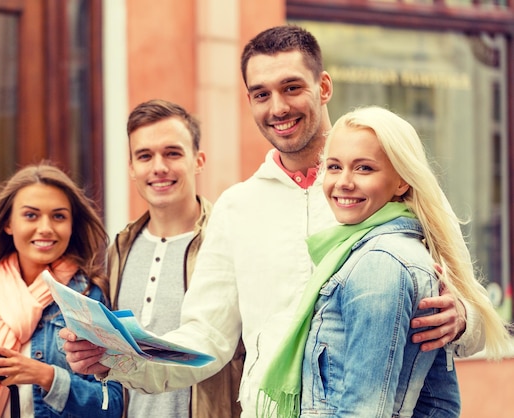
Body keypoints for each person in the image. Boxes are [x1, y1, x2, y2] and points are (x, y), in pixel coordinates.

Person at [61, 25, 487, 417]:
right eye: (261, 93)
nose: (278, 107)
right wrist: (117, 358)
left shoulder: (383, 186)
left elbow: (478, 321)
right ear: (249, 100)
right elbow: (205, 340)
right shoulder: (237, 207)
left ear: (323, 87)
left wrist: (462, 319)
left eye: (291, 87)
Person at [258, 105, 512, 418]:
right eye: (334, 167)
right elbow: (439, 402)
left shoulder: (381, 263)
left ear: (402, 182)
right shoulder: (361, 240)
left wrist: (463, 317)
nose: (344, 182)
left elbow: (364, 410)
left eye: (364, 168)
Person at [0, 162, 123, 417]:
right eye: (31, 215)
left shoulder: (89, 297)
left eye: (58, 216)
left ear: (71, 225)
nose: (45, 228)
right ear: (8, 224)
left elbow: (111, 405)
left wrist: (46, 377)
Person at [108, 99, 243, 417]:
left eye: (172, 153)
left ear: (199, 160)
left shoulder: (226, 243)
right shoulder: (118, 250)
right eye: (145, 156)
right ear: (131, 168)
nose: (158, 167)